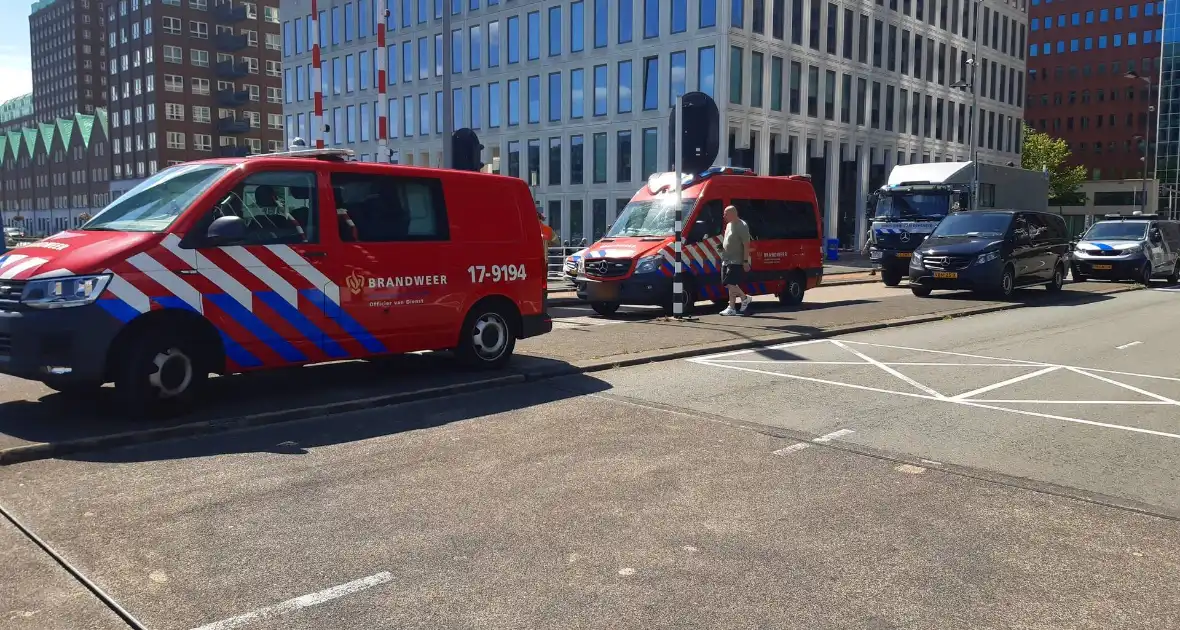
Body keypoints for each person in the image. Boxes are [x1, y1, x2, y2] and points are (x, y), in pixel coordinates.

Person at [720, 204, 752, 316]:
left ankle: (744, 298)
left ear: (733, 213)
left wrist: (745, 261)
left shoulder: (742, 226)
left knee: (729, 282)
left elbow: (746, 244)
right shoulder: (729, 225)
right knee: (729, 284)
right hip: (727, 259)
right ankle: (732, 307)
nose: (724, 216)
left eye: (726, 213)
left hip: (737, 260)